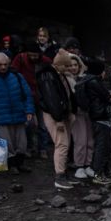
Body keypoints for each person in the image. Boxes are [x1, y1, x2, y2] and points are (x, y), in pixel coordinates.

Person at [0, 52, 34, 174]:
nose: (3, 67)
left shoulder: (17, 76)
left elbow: (27, 94)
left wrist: (29, 110)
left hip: (18, 114)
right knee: (7, 143)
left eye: (5, 64)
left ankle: (20, 163)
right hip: (1, 116)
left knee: (21, 143)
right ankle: (12, 165)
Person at [35, 49, 77, 189]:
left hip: (61, 114)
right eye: (66, 66)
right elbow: (52, 100)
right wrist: (58, 119)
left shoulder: (58, 74)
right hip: (55, 115)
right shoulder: (48, 76)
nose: (69, 68)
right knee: (62, 144)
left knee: (64, 144)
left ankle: (63, 173)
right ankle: (59, 176)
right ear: (59, 64)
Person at [81, 59, 111, 185]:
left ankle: (105, 171)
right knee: (102, 147)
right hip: (100, 117)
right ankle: (98, 173)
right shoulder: (94, 82)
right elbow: (109, 98)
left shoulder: (88, 80)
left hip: (99, 117)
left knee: (106, 147)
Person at [67, 54, 95, 179]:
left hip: (87, 112)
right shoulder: (66, 80)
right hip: (75, 113)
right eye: (70, 65)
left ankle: (88, 164)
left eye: (75, 65)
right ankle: (79, 166)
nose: (73, 68)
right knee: (80, 140)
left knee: (89, 139)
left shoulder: (85, 78)